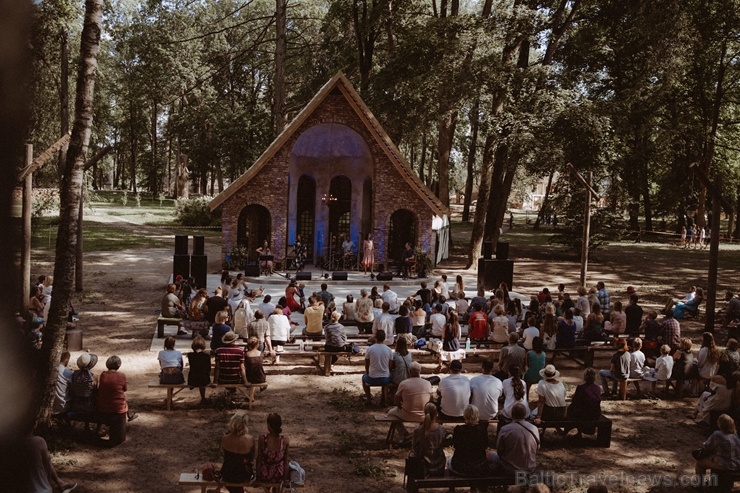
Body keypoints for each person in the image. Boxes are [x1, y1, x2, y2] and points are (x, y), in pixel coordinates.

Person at [386, 361, 433, 445]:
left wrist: (401, 405)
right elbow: (431, 400)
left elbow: (396, 400)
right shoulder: (427, 383)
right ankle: (419, 434)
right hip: (424, 415)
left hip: (406, 414)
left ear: (409, 371)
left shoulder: (404, 383)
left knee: (390, 414)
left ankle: (405, 434)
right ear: (420, 371)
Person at [490, 403, 540, 476]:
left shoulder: (505, 429)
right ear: (525, 414)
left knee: (489, 455)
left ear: (512, 414)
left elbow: (499, 450)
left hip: (509, 469)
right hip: (530, 468)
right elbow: (537, 448)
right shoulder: (534, 429)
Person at [97, 355, 135, 446]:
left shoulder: (103, 375)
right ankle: (128, 416)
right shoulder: (121, 375)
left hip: (103, 405)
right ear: (118, 365)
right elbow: (125, 389)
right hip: (117, 407)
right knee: (122, 398)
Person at [694, 414, 740, 484]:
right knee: (715, 458)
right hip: (737, 464)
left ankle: (699, 484)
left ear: (720, 424)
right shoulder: (735, 435)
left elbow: (707, 447)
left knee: (700, 462)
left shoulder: (718, 434)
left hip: (727, 465)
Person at [449, 404, 490, 477]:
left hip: (460, 467)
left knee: (449, 460)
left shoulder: (459, 430)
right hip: (478, 466)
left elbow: (455, 445)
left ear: (464, 415)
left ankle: (452, 487)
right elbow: (485, 446)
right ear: (477, 416)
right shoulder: (482, 430)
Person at [220, 412, 255, 493]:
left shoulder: (225, 439)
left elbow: (225, 456)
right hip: (244, 474)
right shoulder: (250, 439)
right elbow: (251, 458)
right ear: (245, 424)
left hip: (227, 473)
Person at [256, 413, 290, 491]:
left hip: (265, 475)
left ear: (269, 426)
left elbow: (259, 459)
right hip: (279, 475)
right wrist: (285, 480)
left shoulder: (262, 439)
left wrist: (258, 478)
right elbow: (286, 462)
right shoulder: (285, 441)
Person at [411, 402, 446, 477]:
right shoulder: (442, 429)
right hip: (439, 465)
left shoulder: (418, 431)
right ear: (436, 413)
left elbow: (413, 447)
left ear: (424, 412)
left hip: (423, 466)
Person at [566, 367, 602, 438]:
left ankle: (570, 429)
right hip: (595, 413)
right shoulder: (598, 388)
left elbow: (575, 401)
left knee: (571, 409)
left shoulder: (581, 388)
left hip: (584, 414)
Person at [362, 330, 394, 404]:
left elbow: (366, 363)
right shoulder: (389, 350)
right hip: (385, 377)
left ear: (375, 337)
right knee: (385, 382)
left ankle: (369, 399)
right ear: (384, 338)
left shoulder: (370, 349)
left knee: (364, 378)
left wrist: (367, 372)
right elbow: (390, 364)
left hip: (372, 377)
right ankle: (384, 400)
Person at [187, 336, 211, 405]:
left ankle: (202, 397)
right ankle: (203, 397)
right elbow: (208, 368)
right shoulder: (206, 356)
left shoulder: (190, 355)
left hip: (192, 379)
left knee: (198, 375)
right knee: (203, 378)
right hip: (204, 379)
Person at [53, 351, 74, 415]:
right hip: (64, 406)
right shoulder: (68, 373)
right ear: (66, 360)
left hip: (53, 406)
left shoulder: (52, 370)